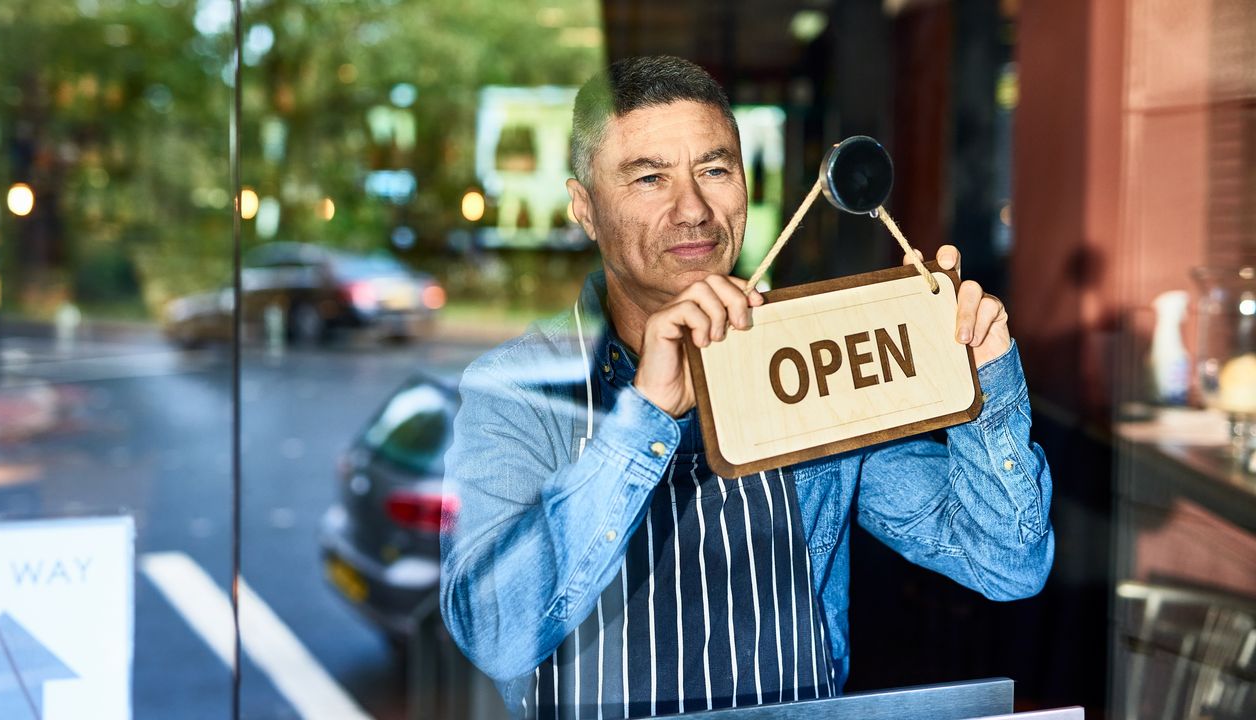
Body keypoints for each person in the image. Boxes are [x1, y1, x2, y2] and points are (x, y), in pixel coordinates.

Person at [440, 55, 1053, 719]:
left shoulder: (808, 358)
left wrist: (986, 380)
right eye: (650, 177)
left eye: (715, 169)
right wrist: (644, 418)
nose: (694, 209)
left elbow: (1006, 563)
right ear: (585, 208)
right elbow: (495, 633)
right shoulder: (518, 389)